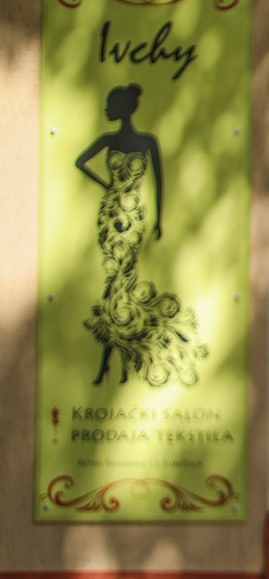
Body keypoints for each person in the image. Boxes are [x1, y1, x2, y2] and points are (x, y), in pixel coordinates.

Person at [75, 83, 207, 386]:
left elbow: (160, 183)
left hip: (133, 217)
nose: (107, 110)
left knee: (120, 280)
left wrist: (159, 219)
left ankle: (111, 361)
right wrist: (107, 186)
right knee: (114, 281)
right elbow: (80, 162)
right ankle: (113, 361)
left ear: (123, 108)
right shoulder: (109, 140)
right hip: (111, 217)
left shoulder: (148, 141)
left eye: (110, 105)